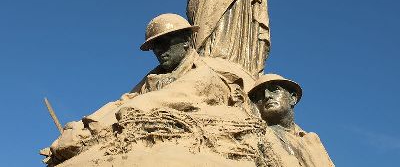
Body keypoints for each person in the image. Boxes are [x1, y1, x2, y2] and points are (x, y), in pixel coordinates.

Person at [43, 14, 254, 166]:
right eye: (155, 47)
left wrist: (99, 127)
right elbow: (124, 100)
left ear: (185, 41)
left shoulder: (203, 74)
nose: (160, 51)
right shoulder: (155, 75)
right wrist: (82, 125)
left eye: (165, 43)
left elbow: (158, 100)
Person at [248, 74, 335, 167]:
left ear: (293, 98)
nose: (267, 96)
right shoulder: (257, 135)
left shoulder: (312, 140)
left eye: (275, 90)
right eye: (259, 95)